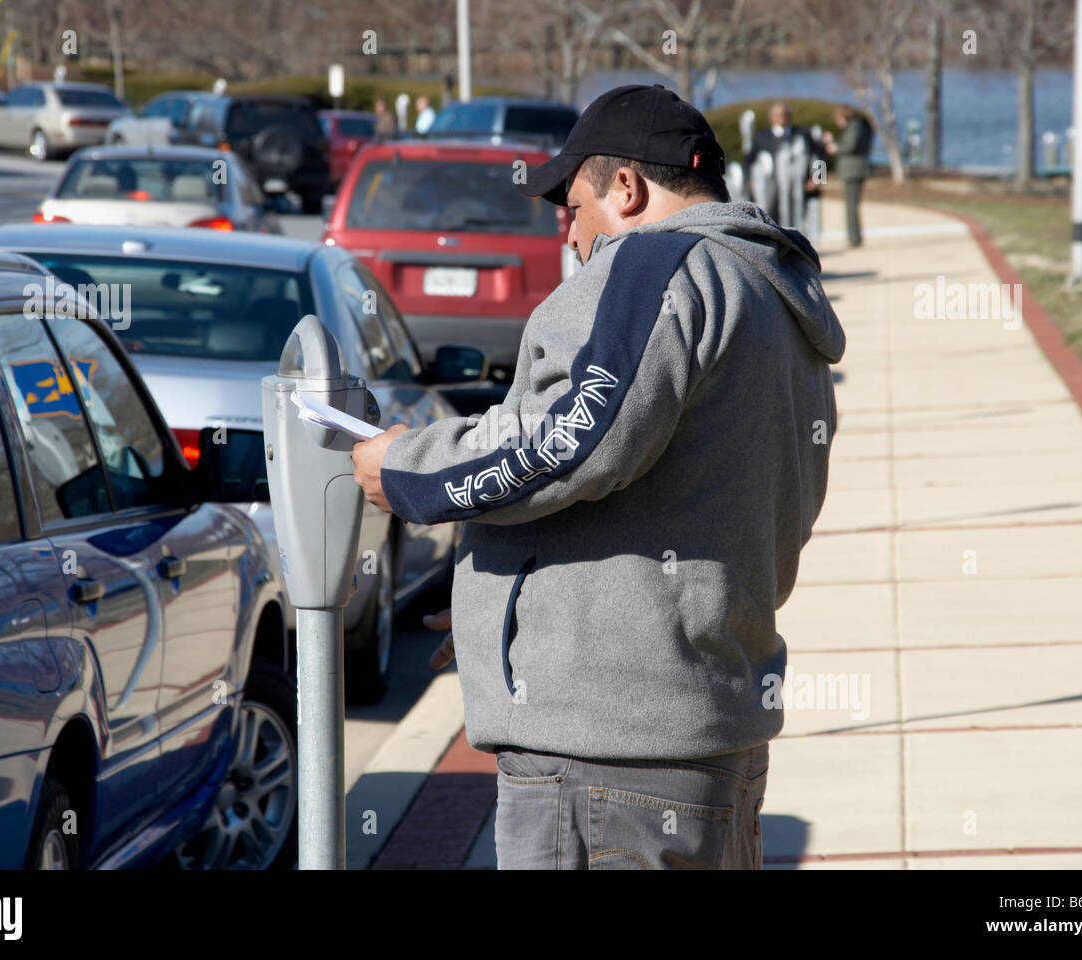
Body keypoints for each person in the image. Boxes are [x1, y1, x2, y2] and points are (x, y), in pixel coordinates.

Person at [351, 84, 845, 870]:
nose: (568, 233)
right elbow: (694, 497)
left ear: (627, 189)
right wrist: (506, 620)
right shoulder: (772, 291)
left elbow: (570, 441)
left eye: (573, 207)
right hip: (704, 738)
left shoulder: (656, 266)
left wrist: (406, 470)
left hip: (611, 764)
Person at [743, 102, 825, 232]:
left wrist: (818, 178)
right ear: (771, 118)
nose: (781, 118)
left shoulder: (803, 133)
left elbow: (820, 154)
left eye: (784, 115)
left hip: (798, 188)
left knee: (798, 220)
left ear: (789, 116)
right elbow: (749, 160)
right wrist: (749, 180)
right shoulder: (761, 136)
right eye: (777, 115)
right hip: (771, 190)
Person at [825, 105, 873, 247]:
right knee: (852, 204)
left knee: (851, 205)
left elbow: (850, 146)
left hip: (854, 170)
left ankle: (854, 238)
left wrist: (835, 147)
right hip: (855, 169)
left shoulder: (854, 127)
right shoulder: (858, 126)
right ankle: (854, 237)